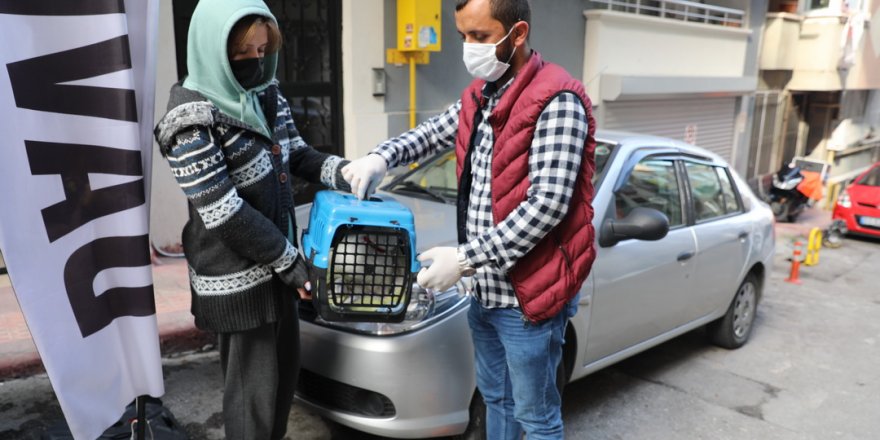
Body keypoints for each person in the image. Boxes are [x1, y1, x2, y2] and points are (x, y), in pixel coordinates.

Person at [343, 0, 596, 438]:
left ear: (517, 34)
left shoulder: (558, 101)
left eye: (480, 37)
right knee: (495, 400)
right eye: (463, 36)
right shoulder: (479, 96)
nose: (469, 48)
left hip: (527, 301)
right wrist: (380, 157)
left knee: (536, 418)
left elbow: (547, 207)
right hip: (484, 292)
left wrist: (464, 259)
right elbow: (431, 134)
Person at [153, 1, 351, 438]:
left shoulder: (265, 94)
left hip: (279, 271)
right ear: (213, 49)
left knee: (279, 397)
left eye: (263, 50)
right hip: (238, 282)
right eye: (244, 53)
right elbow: (223, 210)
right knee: (251, 410)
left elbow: (296, 152)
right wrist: (288, 260)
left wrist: (345, 172)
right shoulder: (188, 118)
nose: (256, 62)